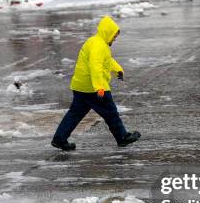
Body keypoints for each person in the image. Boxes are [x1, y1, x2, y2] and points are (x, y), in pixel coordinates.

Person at [51, 16, 141, 151]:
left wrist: (117, 69)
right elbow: (95, 66)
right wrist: (99, 87)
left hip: (81, 86)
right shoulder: (98, 45)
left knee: (75, 114)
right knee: (111, 112)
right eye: (113, 36)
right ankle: (122, 137)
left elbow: (106, 60)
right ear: (107, 33)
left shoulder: (98, 42)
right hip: (93, 88)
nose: (114, 39)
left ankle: (59, 139)